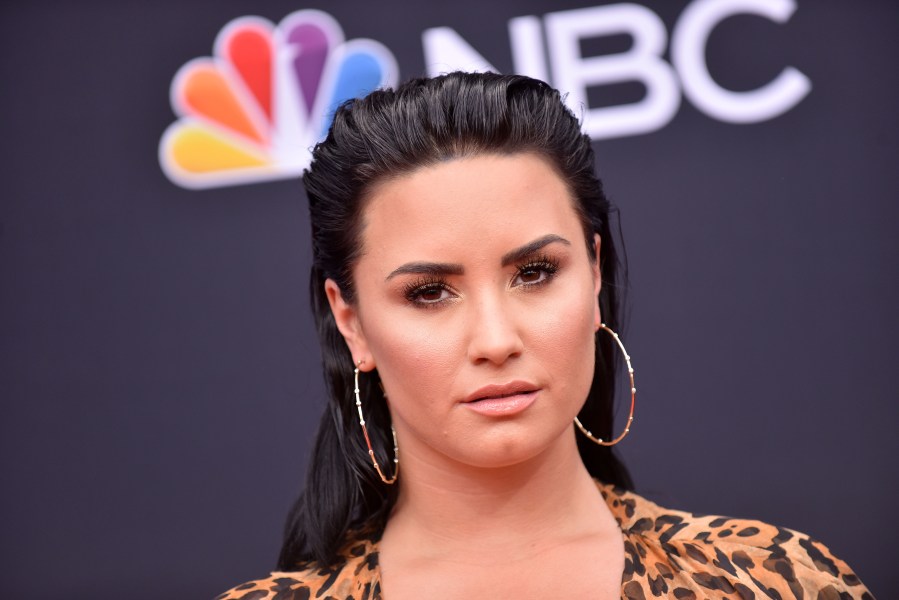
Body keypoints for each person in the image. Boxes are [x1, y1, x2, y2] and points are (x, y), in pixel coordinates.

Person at [218, 72, 871, 599]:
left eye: (534, 273)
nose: (495, 339)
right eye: (428, 292)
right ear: (351, 321)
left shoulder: (770, 582)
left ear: (593, 276)